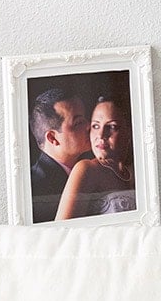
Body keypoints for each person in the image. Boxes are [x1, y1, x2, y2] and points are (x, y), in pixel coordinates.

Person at [55, 95, 136, 219]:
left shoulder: (136, 171)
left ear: (129, 131)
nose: (101, 135)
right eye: (96, 126)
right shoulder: (86, 169)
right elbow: (63, 230)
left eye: (112, 126)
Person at [29, 87, 91, 222]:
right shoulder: (36, 189)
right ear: (52, 138)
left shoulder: (91, 167)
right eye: (78, 123)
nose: (89, 126)